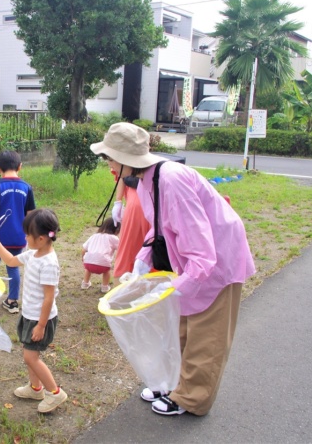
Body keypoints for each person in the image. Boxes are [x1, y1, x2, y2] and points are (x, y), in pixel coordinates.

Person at [90, 122, 255, 416]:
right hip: (192, 257)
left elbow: (202, 252)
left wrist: (177, 286)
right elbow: (160, 229)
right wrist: (144, 259)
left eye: (110, 158)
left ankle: (191, 399)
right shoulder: (146, 181)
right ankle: (173, 384)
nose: (109, 165)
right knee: (182, 325)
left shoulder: (171, 180)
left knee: (206, 333)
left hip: (218, 258)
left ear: (126, 159)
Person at [0, 209, 68, 413]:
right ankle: (35, 389)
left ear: (40, 238)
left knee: (31, 357)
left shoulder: (48, 263)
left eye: (27, 234)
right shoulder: (33, 254)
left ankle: (55, 393)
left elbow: (49, 298)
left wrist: (41, 325)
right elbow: (11, 261)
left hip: (40, 319)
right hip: (29, 315)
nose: (25, 237)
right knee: (29, 354)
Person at [0, 150, 36, 313]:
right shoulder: (26, 187)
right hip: (19, 237)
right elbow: (30, 214)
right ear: (20, 166)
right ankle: (12, 301)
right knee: (13, 266)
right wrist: (29, 234)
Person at [110, 172, 150, 279]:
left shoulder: (127, 163)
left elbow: (122, 175)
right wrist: (118, 201)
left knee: (127, 255)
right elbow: (121, 176)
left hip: (139, 209)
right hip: (139, 205)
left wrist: (118, 201)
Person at [81, 217, 120, 293]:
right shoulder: (114, 238)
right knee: (106, 271)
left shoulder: (94, 236)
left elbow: (84, 249)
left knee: (88, 270)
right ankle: (105, 287)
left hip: (88, 262)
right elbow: (120, 248)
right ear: (117, 229)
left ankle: (85, 284)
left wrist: (83, 258)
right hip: (103, 264)